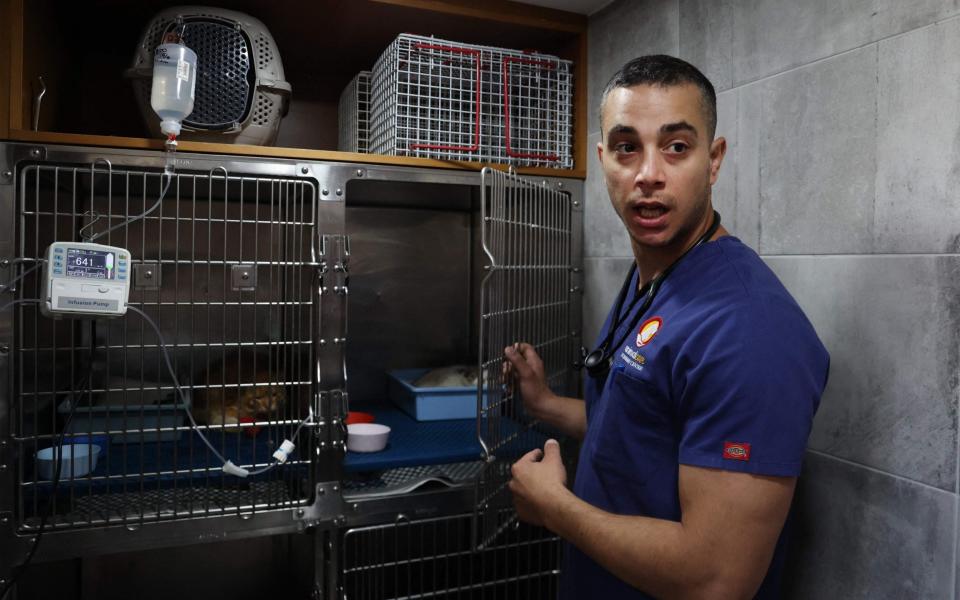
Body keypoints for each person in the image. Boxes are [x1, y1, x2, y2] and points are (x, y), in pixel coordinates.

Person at [503, 55, 829, 599]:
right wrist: (545, 405)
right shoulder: (655, 275)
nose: (649, 174)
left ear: (714, 159)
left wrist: (555, 508)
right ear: (604, 160)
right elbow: (644, 426)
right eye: (628, 147)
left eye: (676, 146)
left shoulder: (749, 330)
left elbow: (716, 579)